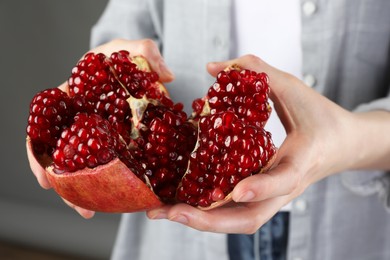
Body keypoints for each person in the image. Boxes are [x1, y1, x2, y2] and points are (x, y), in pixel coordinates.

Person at [29, 0, 390, 259]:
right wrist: (106, 77)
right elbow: (125, 26)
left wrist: (346, 141)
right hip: (176, 243)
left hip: (353, 234)